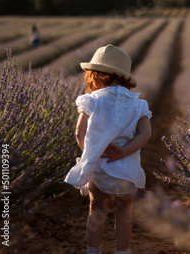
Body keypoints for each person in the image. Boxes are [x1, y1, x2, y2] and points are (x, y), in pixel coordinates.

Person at [64, 44, 152, 254]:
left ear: (99, 77)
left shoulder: (92, 100)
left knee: (96, 210)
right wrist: (124, 151)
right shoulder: (138, 104)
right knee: (124, 212)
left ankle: (93, 250)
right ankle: (122, 251)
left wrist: (91, 154)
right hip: (127, 170)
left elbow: (79, 132)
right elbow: (145, 134)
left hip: (100, 168)